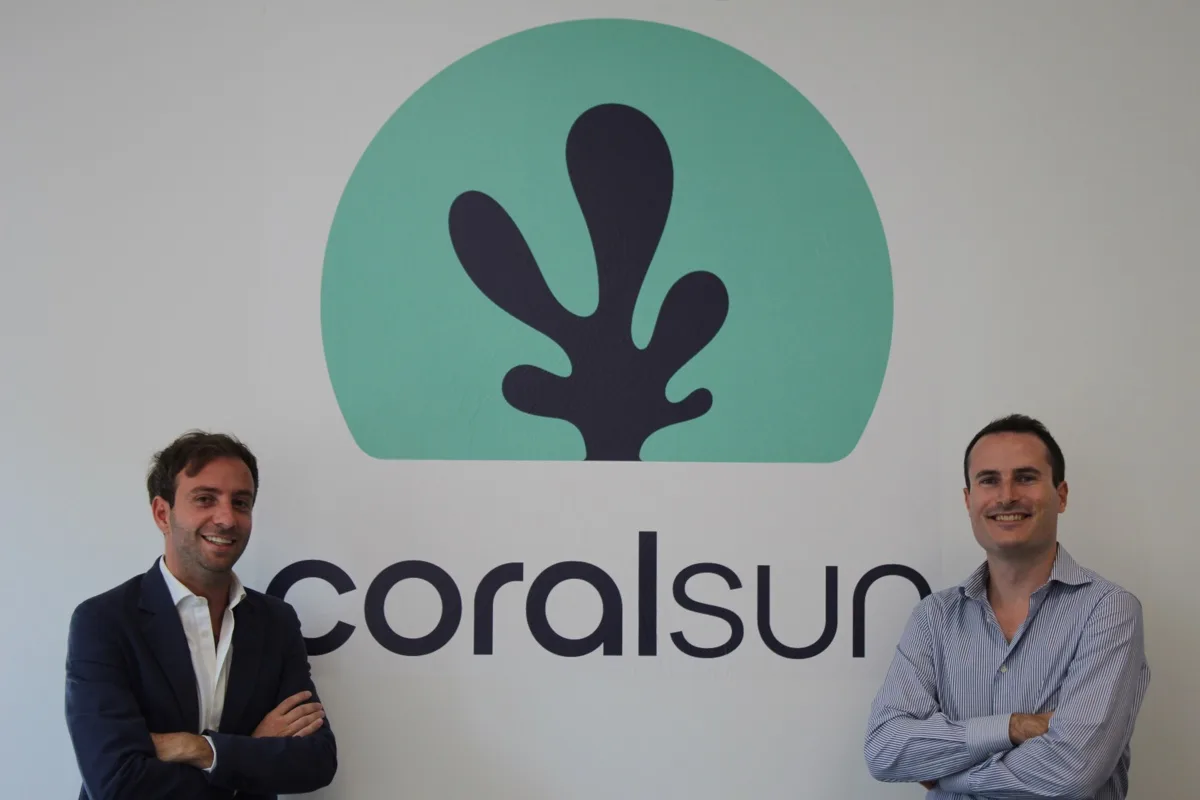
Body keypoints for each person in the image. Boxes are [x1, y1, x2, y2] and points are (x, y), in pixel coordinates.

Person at [864, 414, 1150, 798]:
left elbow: (1074, 769)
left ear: (1062, 495)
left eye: (1026, 477)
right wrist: (1013, 727)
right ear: (968, 500)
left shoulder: (1108, 611)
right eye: (989, 480)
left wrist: (951, 775)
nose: (1006, 496)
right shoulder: (934, 617)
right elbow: (884, 749)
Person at [64, 431, 337, 800]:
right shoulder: (104, 622)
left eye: (240, 503)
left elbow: (317, 760)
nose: (226, 518)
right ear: (163, 514)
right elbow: (117, 784)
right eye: (205, 499)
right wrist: (249, 751)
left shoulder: (276, 622)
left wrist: (198, 749)